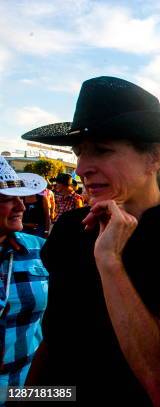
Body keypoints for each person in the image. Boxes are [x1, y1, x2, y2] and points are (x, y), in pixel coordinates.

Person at [22, 76, 160, 406]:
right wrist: (23, 398)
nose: (82, 168)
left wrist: (110, 263)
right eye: (79, 153)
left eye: (102, 151)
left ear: (153, 158)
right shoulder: (71, 226)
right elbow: (55, 342)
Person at [0, 157, 48, 402]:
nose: (21, 206)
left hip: (31, 389)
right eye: (7, 198)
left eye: (21, 196)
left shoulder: (41, 250)